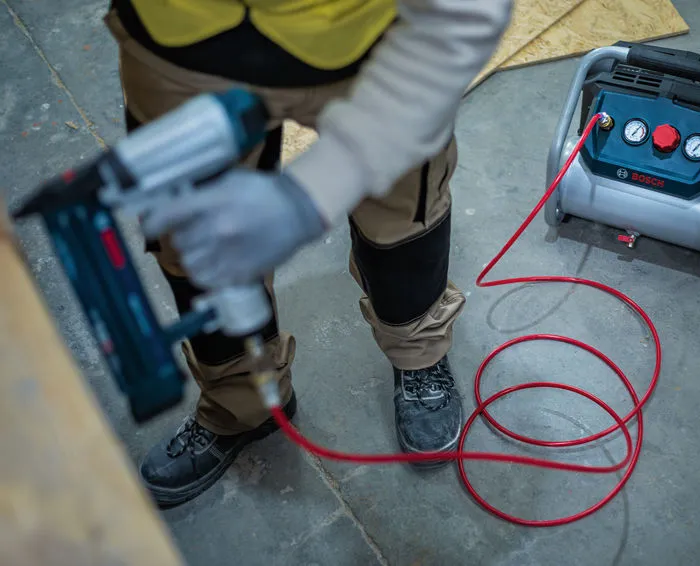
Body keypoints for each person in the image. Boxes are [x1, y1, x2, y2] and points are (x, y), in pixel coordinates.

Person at [105, 0, 512, 507]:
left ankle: (418, 352)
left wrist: (318, 188)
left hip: (371, 36)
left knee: (405, 219)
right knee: (197, 249)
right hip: (177, 41)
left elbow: (468, 15)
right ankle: (240, 403)